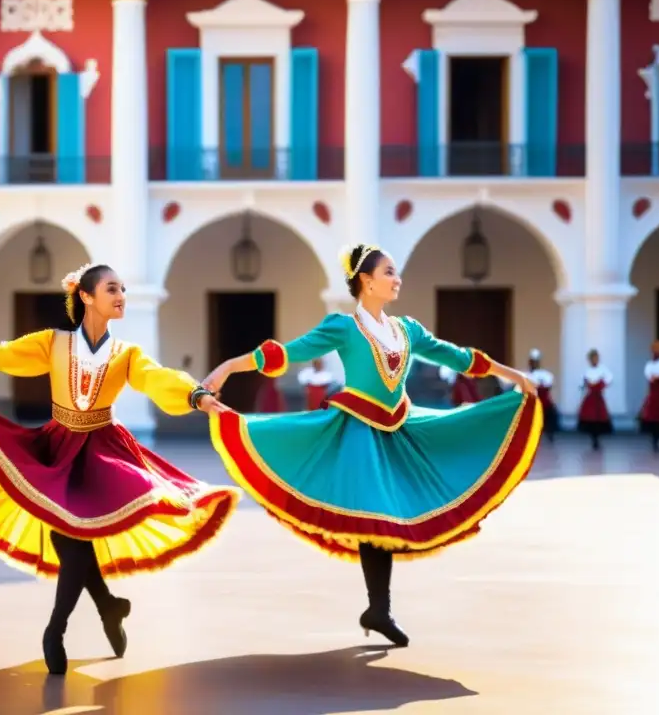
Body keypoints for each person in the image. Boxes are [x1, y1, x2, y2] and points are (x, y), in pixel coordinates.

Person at [203, 243, 542, 648]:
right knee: (375, 517)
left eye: (396, 272)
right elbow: (285, 354)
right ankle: (379, 608)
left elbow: (458, 358)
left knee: (389, 519)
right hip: (357, 434)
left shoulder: (408, 330)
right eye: (388, 272)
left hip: (401, 429)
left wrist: (512, 375)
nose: (397, 279)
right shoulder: (343, 327)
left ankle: (378, 609)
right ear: (365, 281)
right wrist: (226, 367)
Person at [0, 263, 241, 676]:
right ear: (86, 296)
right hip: (56, 448)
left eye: (122, 289)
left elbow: (157, 379)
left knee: (73, 542)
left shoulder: (127, 354)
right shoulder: (53, 343)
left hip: (100, 453)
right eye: (111, 289)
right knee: (71, 543)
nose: (121, 295)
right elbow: (0, 354)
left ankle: (56, 629)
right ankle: (108, 605)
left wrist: (197, 396)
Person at [576, 349, 613, 451]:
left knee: (599, 418)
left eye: (596, 358)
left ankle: (597, 438)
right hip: (590, 397)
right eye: (592, 358)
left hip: (598, 397)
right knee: (590, 418)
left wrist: (600, 385)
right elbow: (582, 384)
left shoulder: (603, 369)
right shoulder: (587, 371)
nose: (594, 360)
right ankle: (593, 439)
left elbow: (609, 380)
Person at [527, 349, 559, 443]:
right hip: (532, 400)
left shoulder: (546, 374)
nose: (534, 364)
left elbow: (549, 385)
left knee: (551, 415)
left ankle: (550, 433)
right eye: (532, 362)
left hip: (545, 401)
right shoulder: (527, 374)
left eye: (535, 362)